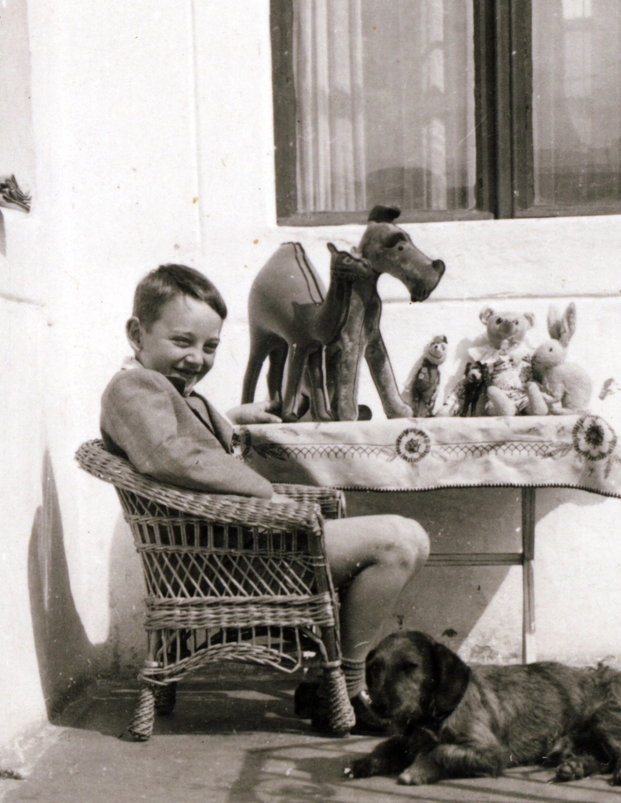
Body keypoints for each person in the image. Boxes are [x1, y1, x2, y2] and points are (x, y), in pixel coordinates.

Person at [100, 264, 430, 733]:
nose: (197, 358)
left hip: (233, 546)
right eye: (182, 341)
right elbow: (166, 455)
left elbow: (181, 439)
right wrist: (264, 493)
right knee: (399, 541)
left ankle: (333, 682)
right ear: (137, 332)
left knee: (409, 540)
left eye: (210, 346)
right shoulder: (133, 387)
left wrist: (232, 418)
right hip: (228, 559)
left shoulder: (158, 387)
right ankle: (345, 688)